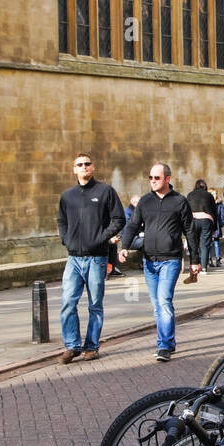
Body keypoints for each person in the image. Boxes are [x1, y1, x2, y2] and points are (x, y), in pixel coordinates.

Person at [119, 162, 199, 361]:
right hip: (149, 262)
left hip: (171, 260)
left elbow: (190, 231)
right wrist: (124, 247)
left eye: (157, 178)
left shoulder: (180, 202)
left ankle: (163, 346)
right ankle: (169, 341)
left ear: (167, 179)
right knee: (157, 306)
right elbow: (132, 226)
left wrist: (195, 261)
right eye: (150, 178)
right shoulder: (145, 201)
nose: (153, 181)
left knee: (164, 301)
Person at [56, 153, 125, 363]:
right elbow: (61, 221)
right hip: (74, 258)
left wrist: (100, 238)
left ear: (93, 167)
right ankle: (72, 345)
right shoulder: (68, 196)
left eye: (87, 164)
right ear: (74, 169)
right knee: (68, 302)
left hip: (96, 258)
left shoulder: (105, 191)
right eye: (79, 164)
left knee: (95, 304)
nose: (84, 167)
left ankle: (92, 346)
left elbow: (119, 219)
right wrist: (66, 239)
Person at [187, 178, 216, 273]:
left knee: (193, 244)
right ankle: (204, 268)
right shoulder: (209, 196)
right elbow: (214, 211)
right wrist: (214, 227)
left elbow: (186, 210)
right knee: (205, 245)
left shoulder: (190, 195)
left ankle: (194, 265)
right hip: (206, 220)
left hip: (193, 220)